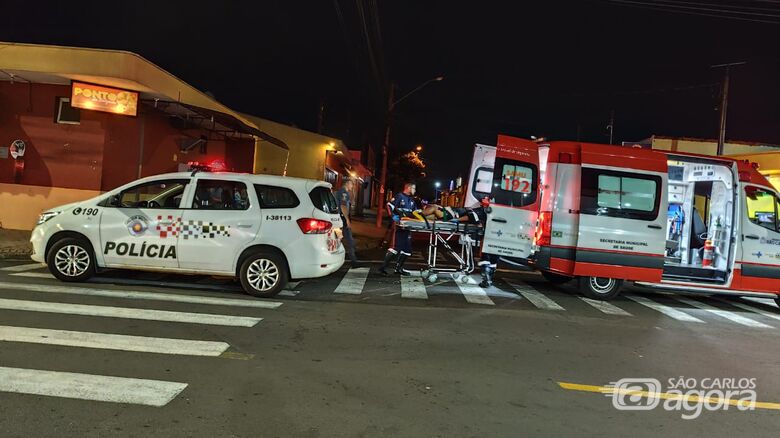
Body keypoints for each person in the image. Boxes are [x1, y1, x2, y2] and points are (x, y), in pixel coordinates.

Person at [379, 182, 417, 276]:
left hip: (407, 227)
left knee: (407, 250)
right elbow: (388, 206)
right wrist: (393, 217)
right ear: (408, 188)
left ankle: (399, 269)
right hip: (398, 227)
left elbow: (415, 213)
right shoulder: (399, 197)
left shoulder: (411, 200)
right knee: (395, 248)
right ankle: (382, 268)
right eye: (413, 188)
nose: (414, 191)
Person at [335, 178, 358, 264]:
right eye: (351, 184)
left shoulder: (343, 192)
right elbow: (343, 206)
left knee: (340, 238)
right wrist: (347, 219)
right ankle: (354, 261)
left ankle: (352, 259)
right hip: (343, 219)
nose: (352, 186)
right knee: (349, 239)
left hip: (340, 219)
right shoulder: (344, 193)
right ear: (347, 184)